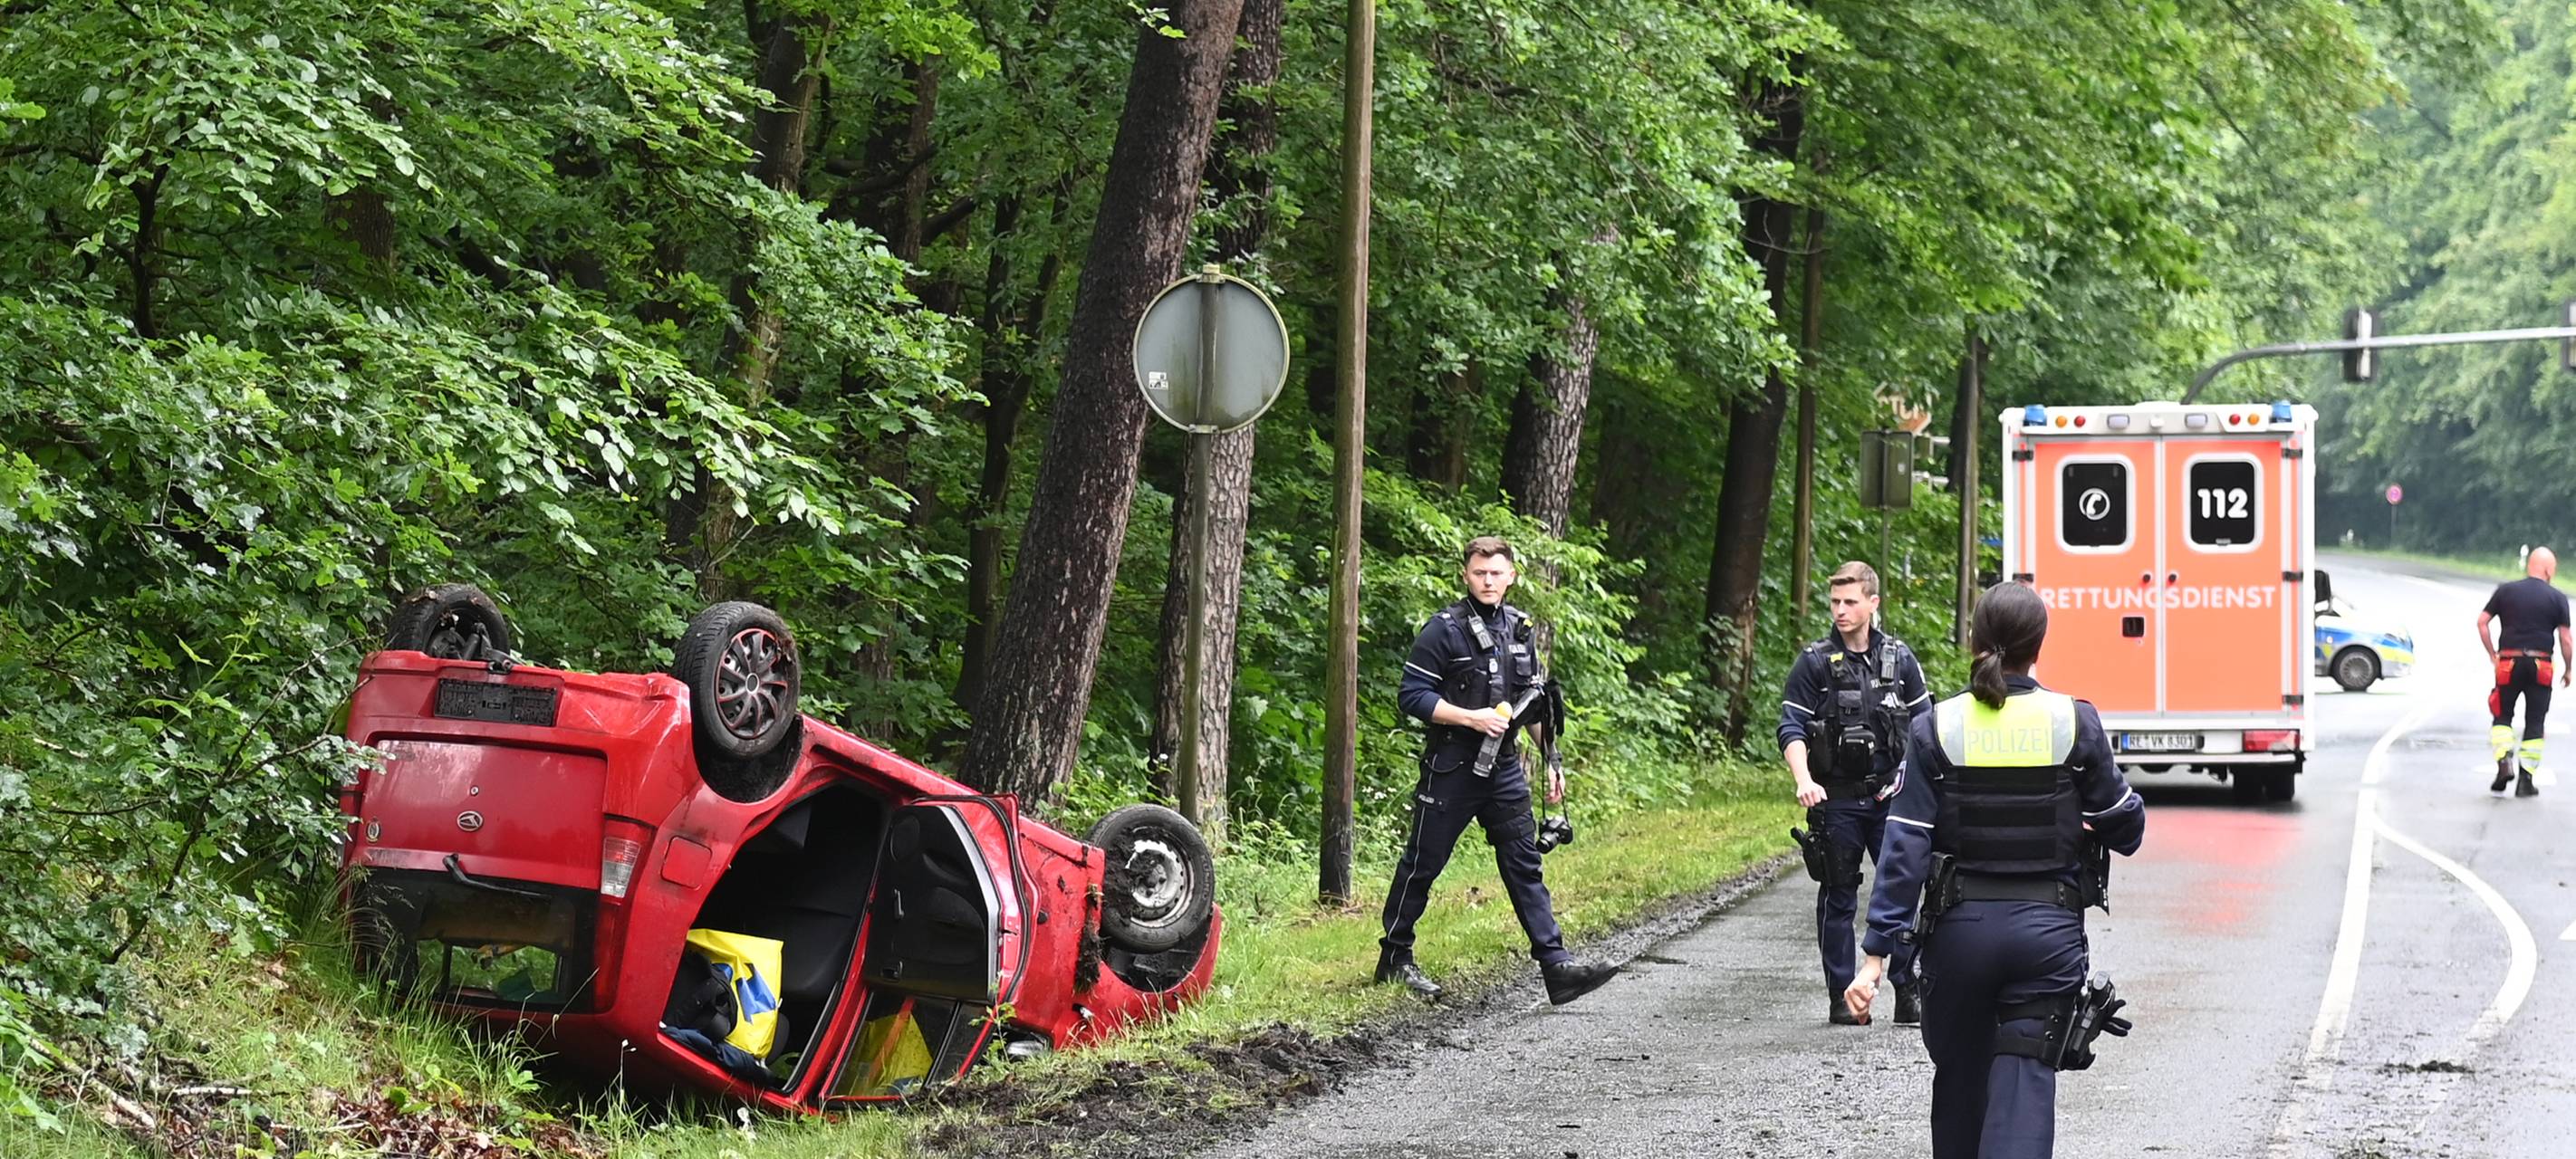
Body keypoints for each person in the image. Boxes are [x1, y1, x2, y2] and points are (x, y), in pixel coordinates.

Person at [1844, 582, 2147, 1159]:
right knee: (2025, 1086)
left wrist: (1876, 956)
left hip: (1960, 938)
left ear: (1974, 640)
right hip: (2048, 940)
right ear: (2039, 645)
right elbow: (2125, 829)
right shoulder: (2074, 722)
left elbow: (1905, 847)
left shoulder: (1937, 726)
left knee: (1961, 1082)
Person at [1375, 536, 1618, 1006]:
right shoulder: (1443, 630)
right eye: (1479, 572)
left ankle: (1557, 966)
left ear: (1511, 576)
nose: (1488, 581)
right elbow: (1412, 696)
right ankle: (1395, 958)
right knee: (1423, 864)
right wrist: (1471, 718)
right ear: (1466, 576)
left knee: (1525, 864)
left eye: (1496, 573)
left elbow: (1535, 705)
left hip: (1504, 768)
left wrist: (1552, 762)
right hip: (1452, 766)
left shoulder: (1520, 630)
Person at [1777, 560, 1932, 1025]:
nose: (1840, 611)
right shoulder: (1814, 661)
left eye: (1849, 601)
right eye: (1834, 602)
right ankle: (1843, 996)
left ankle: (1907, 987)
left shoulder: (1900, 659)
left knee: (1904, 889)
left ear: (1872, 603)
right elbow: (1791, 728)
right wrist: (1803, 779)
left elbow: (1927, 728)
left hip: (1892, 798)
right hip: (1837, 799)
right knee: (1838, 895)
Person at [2477, 546, 2572, 797]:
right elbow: (2566, 639)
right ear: (2548, 570)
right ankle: (2525, 781)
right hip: (2541, 665)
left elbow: (2482, 622)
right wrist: (2568, 669)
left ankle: (2504, 762)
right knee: (2535, 721)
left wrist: (2492, 654)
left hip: (2508, 663)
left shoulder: (2505, 591)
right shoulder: (2557, 597)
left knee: (2502, 715)